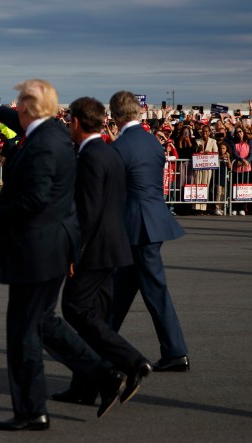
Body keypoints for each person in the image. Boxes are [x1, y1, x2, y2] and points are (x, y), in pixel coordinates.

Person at [0, 77, 122, 431]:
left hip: (37, 248)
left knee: (23, 333)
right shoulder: (54, 131)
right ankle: (104, 373)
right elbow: (16, 120)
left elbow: (36, 197)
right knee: (42, 322)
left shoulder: (43, 143)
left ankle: (32, 411)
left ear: (26, 108)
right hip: (51, 247)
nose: (16, 110)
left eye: (17, 104)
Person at [52, 97, 151, 409]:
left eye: (69, 121)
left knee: (75, 310)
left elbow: (88, 212)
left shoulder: (92, 157)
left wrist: (73, 253)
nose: (67, 126)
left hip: (95, 249)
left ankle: (132, 362)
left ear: (78, 122)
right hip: (112, 246)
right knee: (94, 318)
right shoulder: (108, 152)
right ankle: (85, 386)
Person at [107, 90, 189, 373]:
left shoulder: (120, 147)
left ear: (115, 116)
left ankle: (176, 351)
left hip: (136, 223)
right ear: (138, 112)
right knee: (121, 287)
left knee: (154, 290)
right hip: (152, 219)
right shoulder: (152, 143)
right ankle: (100, 341)